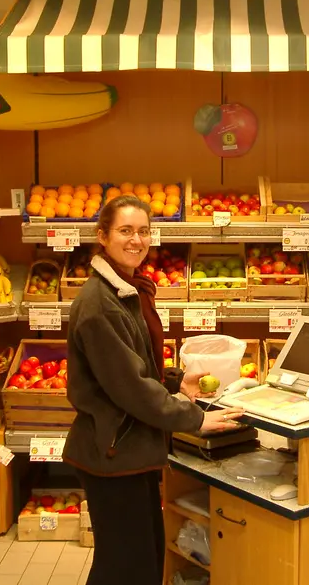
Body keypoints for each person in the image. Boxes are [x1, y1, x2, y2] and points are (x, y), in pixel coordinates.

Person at [63, 194, 244, 585]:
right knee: (128, 567)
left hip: (131, 447)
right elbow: (130, 388)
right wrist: (196, 419)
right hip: (112, 452)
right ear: (103, 236)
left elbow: (137, 364)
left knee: (136, 558)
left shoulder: (126, 290)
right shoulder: (100, 305)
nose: (137, 240)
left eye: (143, 231)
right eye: (125, 231)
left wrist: (178, 381)